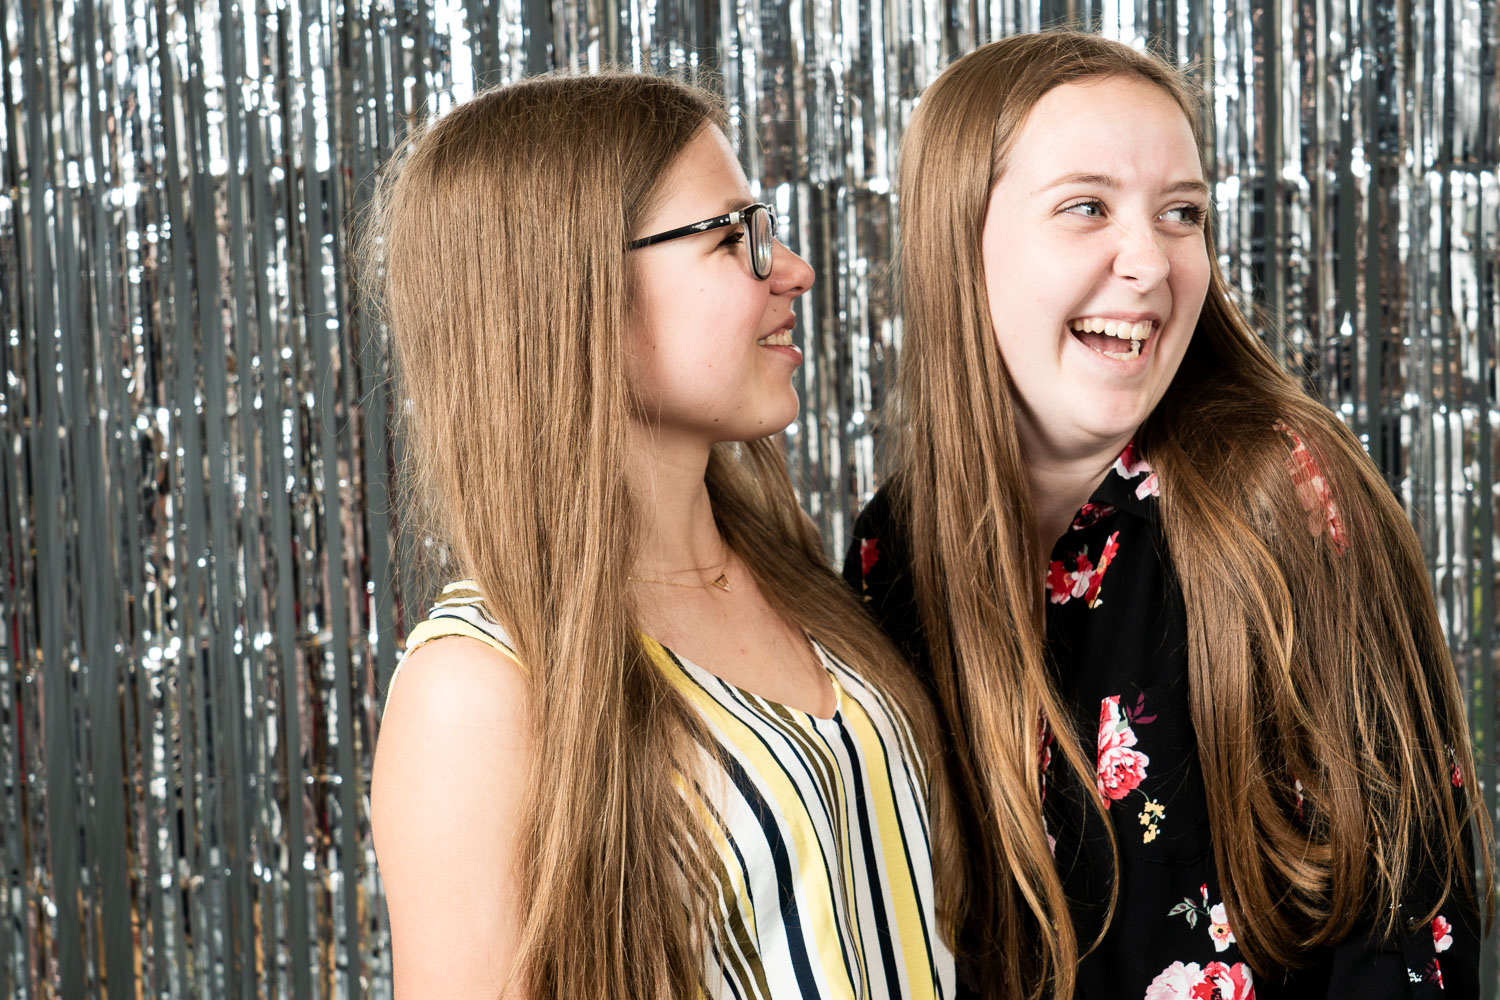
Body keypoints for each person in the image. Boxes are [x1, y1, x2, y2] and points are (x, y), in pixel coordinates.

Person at [844, 31, 1493, 1000]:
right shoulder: (894, 547)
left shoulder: (1281, 494)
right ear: (957, 242)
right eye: (1086, 207)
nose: (1149, 261)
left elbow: (1408, 915)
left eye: (1182, 213)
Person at [365, 73, 958, 1000]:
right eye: (732, 237)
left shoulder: (792, 568)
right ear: (566, 292)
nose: (794, 269)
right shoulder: (474, 692)